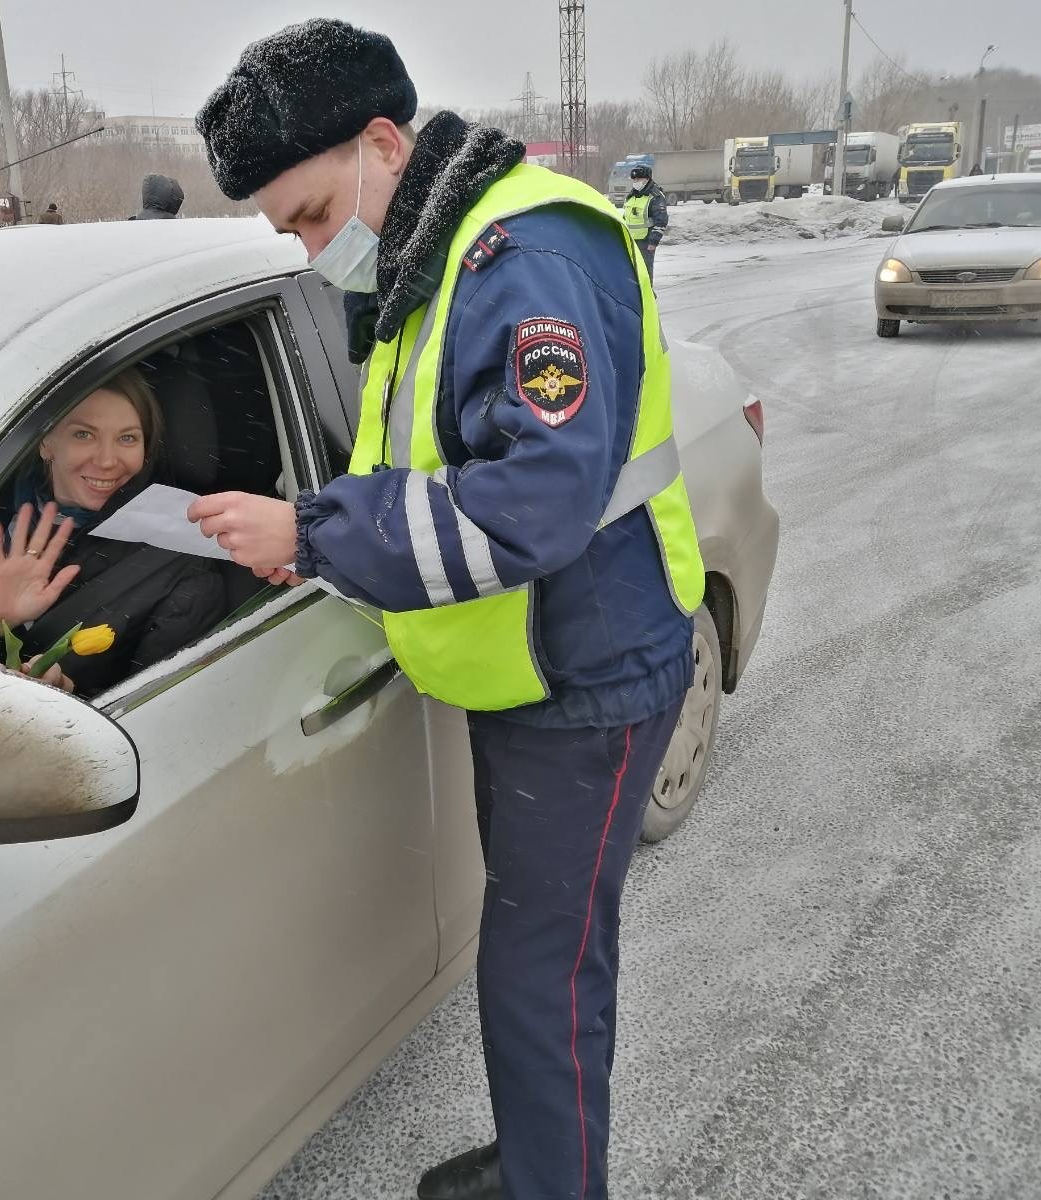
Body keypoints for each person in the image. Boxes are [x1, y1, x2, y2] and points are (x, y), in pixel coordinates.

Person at [189, 19, 703, 1200]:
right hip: (529, 665)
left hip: (590, 676)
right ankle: (536, 1152)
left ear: (382, 144)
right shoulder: (443, 243)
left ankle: (550, 1180)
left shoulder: (520, 259)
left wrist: (311, 533)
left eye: (314, 215)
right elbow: (428, 450)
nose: (314, 249)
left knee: (543, 970)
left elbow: (532, 504)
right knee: (531, 956)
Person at [0, 367, 224, 697]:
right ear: (46, 442)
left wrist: (69, 696)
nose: (106, 460)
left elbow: (160, 712)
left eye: (128, 438)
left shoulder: (181, 562)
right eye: (83, 434)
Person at [621, 163, 667, 281]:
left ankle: (648, 297)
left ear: (647, 179)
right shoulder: (631, 196)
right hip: (630, 242)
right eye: (634, 179)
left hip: (646, 243)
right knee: (631, 276)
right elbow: (626, 218)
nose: (636, 181)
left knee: (644, 276)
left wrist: (653, 242)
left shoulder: (655, 196)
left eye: (639, 178)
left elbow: (661, 221)